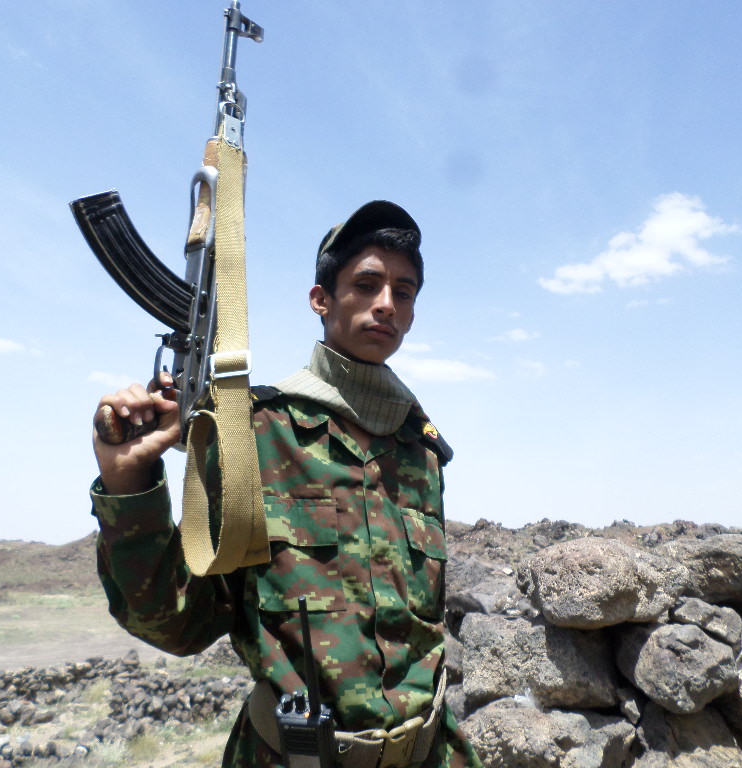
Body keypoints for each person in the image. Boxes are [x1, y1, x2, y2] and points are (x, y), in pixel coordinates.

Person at [90, 201, 483, 768]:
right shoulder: (254, 433)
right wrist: (128, 480)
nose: (387, 304)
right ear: (320, 299)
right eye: (366, 284)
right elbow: (176, 623)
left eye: (404, 292)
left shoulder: (420, 452)